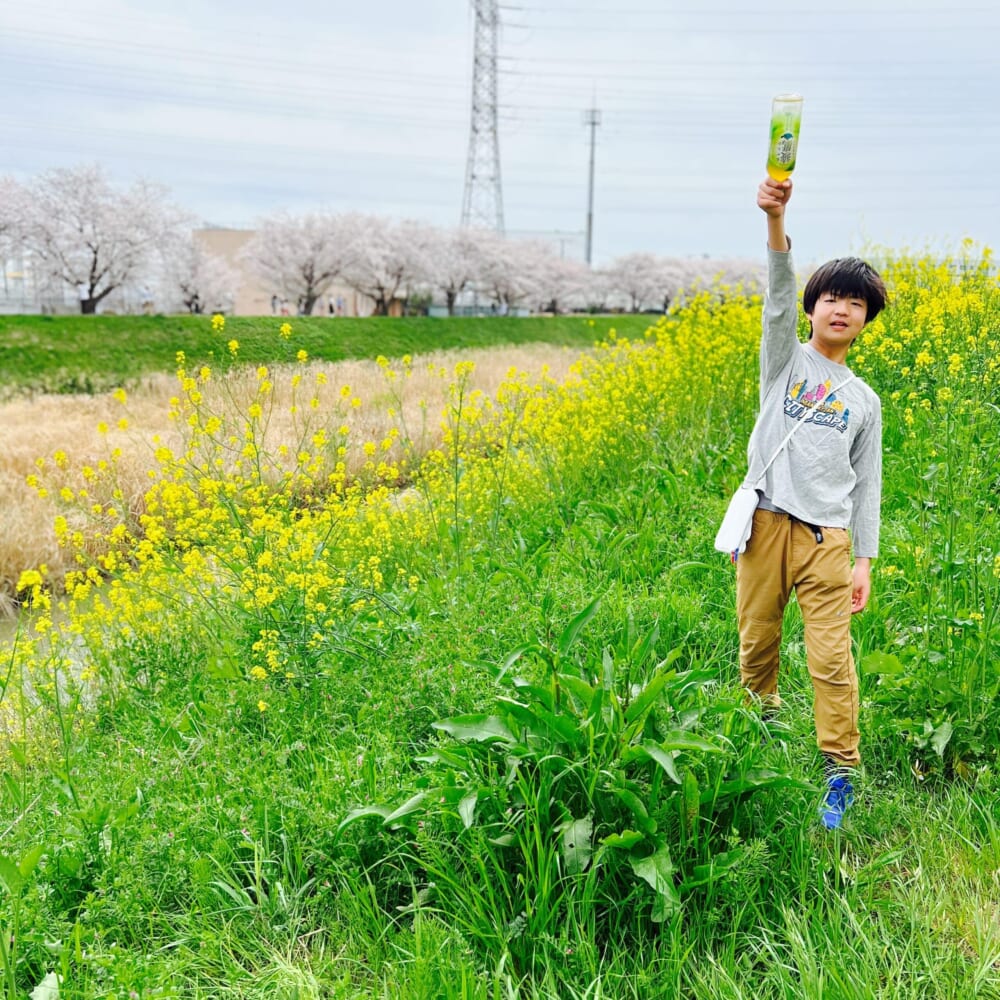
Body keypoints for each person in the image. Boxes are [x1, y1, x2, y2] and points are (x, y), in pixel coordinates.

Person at [738, 176, 887, 829]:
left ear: (865, 319)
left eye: (855, 303)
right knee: (757, 641)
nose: (841, 309)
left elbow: (868, 482)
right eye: (830, 297)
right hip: (766, 521)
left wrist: (865, 559)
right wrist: (777, 220)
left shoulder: (864, 400)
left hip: (828, 539)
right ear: (811, 308)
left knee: (830, 658)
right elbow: (774, 293)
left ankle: (839, 770)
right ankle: (760, 726)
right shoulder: (786, 363)